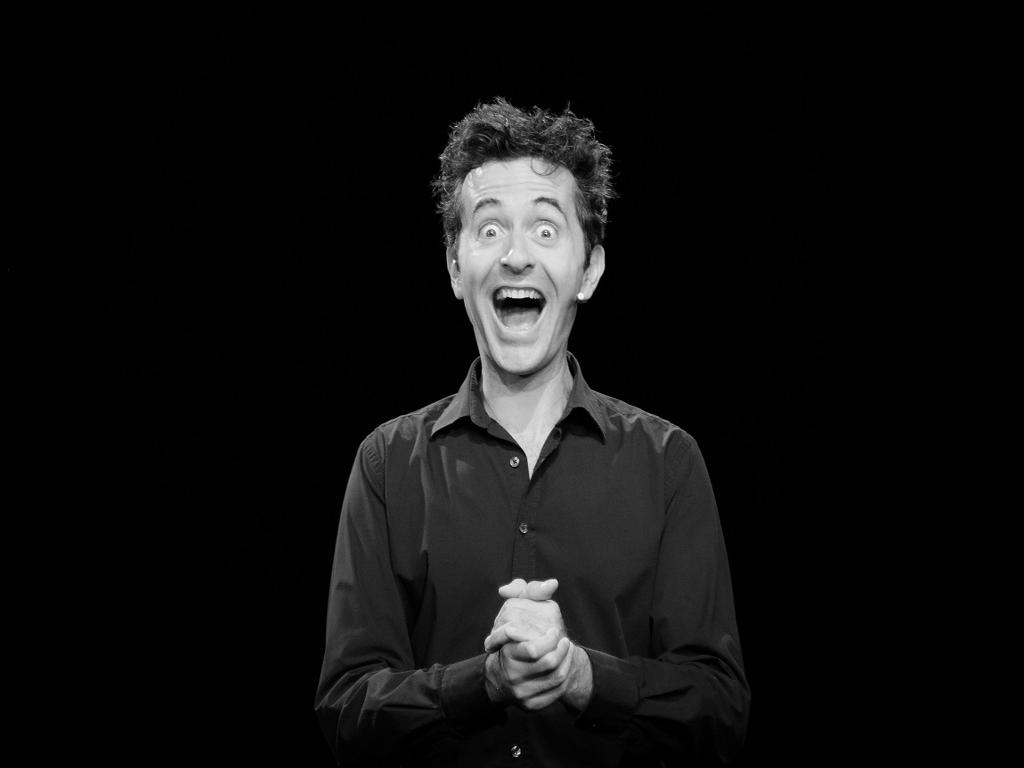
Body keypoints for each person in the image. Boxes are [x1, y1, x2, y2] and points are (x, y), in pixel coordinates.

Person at [315, 98, 750, 766]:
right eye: (490, 229)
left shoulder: (669, 463)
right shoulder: (386, 463)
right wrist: (481, 684)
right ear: (456, 267)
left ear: (590, 269)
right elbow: (347, 711)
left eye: (545, 229)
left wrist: (584, 676)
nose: (516, 255)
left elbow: (719, 710)